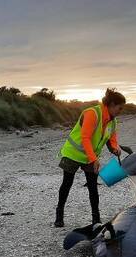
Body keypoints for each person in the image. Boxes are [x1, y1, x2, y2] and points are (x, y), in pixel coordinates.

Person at [54, 88, 126, 227]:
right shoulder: (92, 113)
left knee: (93, 187)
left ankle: (96, 219)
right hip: (73, 153)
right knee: (67, 183)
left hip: (90, 156)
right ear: (111, 105)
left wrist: (115, 149)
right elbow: (85, 138)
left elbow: (112, 139)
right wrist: (94, 159)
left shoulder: (113, 121)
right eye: (119, 108)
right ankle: (59, 213)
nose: (120, 111)